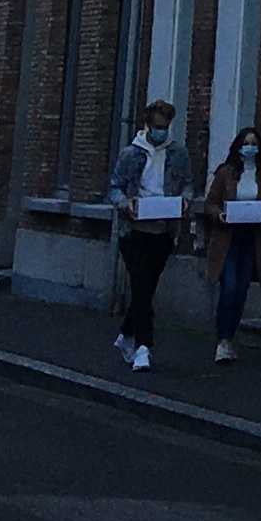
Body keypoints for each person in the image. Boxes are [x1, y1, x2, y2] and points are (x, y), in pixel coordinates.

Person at [108, 93, 196, 370]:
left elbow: (188, 184)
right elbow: (114, 188)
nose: (161, 131)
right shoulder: (130, 154)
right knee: (141, 285)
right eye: (157, 126)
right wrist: (126, 204)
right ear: (148, 125)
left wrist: (185, 201)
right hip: (134, 231)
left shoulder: (178, 154)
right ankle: (144, 347)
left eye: (165, 127)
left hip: (162, 231)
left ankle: (126, 334)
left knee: (145, 290)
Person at [205, 123, 261, 365]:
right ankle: (222, 340)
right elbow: (210, 203)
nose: (250, 148)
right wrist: (220, 215)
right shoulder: (226, 173)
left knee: (242, 289)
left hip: (252, 237)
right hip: (228, 237)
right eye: (246, 144)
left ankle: (230, 337)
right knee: (230, 286)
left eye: (254, 144)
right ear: (238, 147)